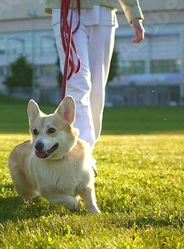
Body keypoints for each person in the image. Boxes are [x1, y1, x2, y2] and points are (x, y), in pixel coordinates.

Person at [45, 0, 145, 152]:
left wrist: (133, 14)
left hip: (103, 10)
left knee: (97, 89)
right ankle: (81, 152)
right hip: (66, 9)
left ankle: (86, 149)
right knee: (78, 83)